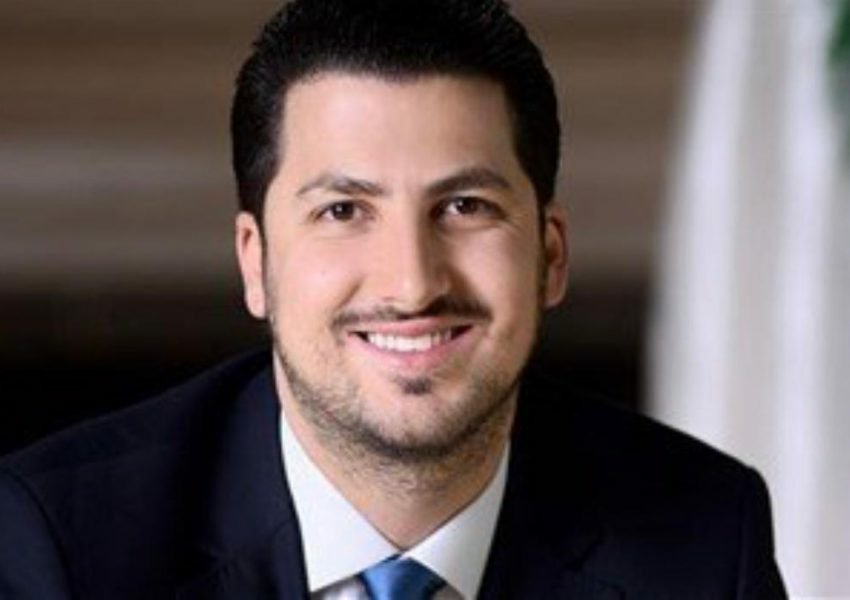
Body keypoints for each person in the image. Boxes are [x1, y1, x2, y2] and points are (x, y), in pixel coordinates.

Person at [0, 0, 786, 598]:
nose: (412, 284)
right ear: (255, 262)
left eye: (466, 206)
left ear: (550, 255)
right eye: (344, 211)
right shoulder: (59, 543)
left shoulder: (706, 539)